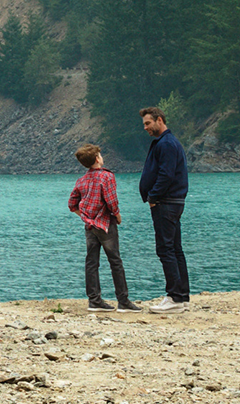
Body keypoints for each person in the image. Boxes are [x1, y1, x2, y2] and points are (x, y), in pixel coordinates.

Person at [68, 143, 137, 311]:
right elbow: (111, 200)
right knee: (115, 261)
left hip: (89, 226)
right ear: (98, 158)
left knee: (91, 262)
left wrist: (85, 217)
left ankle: (94, 300)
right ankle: (123, 301)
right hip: (106, 224)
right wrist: (118, 216)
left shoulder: (81, 180)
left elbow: (72, 204)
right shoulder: (106, 176)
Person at [137, 105, 190, 308]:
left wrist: (153, 196)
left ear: (160, 120)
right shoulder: (166, 142)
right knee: (175, 248)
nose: (145, 127)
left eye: (148, 123)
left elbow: (166, 175)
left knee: (165, 249)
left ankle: (174, 296)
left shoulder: (166, 144)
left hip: (166, 203)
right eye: (144, 124)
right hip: (172, 202)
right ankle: (182, 296)